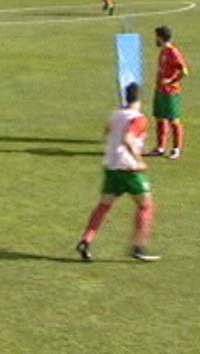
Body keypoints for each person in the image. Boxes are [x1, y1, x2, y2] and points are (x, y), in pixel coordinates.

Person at [76, 82, 161, 262]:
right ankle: (139, 247)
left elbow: (107, 132)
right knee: (146, 206)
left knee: (103, 206)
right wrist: (139, 160)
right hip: (129, 169)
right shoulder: (139, 118)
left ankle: (86, 240)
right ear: (140, 99)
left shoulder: (116, 114)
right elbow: (128, 138)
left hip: (111, 167)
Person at [145, 26, 190, 160]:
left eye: (156, 36)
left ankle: (176, 149)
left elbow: (184, 72)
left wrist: (170, 81)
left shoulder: (173, 52)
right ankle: (160, 147)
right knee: (160, 118)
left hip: (171, 92)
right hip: (160, 90)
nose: (155, 39)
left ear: (160, 37)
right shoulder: (163, 52)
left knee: (174, 120)